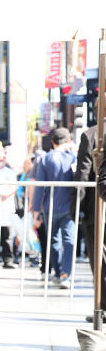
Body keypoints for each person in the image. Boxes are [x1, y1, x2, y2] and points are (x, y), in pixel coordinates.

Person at [31, 127, 77, 288]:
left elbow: (39, 187)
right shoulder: (72, 158)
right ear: (68, 141)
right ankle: (66, 274)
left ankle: (57, 272)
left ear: (53, 142)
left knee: (54, 241)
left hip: (49, 206)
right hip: (69, 205)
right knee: (69, 240)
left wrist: (36, 209)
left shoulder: (45, 159)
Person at [78, 123, 106, 314]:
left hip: (95, 209)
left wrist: (77, 208)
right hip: (96, 206)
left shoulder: (91, 134)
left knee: (99, 258)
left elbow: (82, 173)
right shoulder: (91, 135)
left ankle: (103, 305)